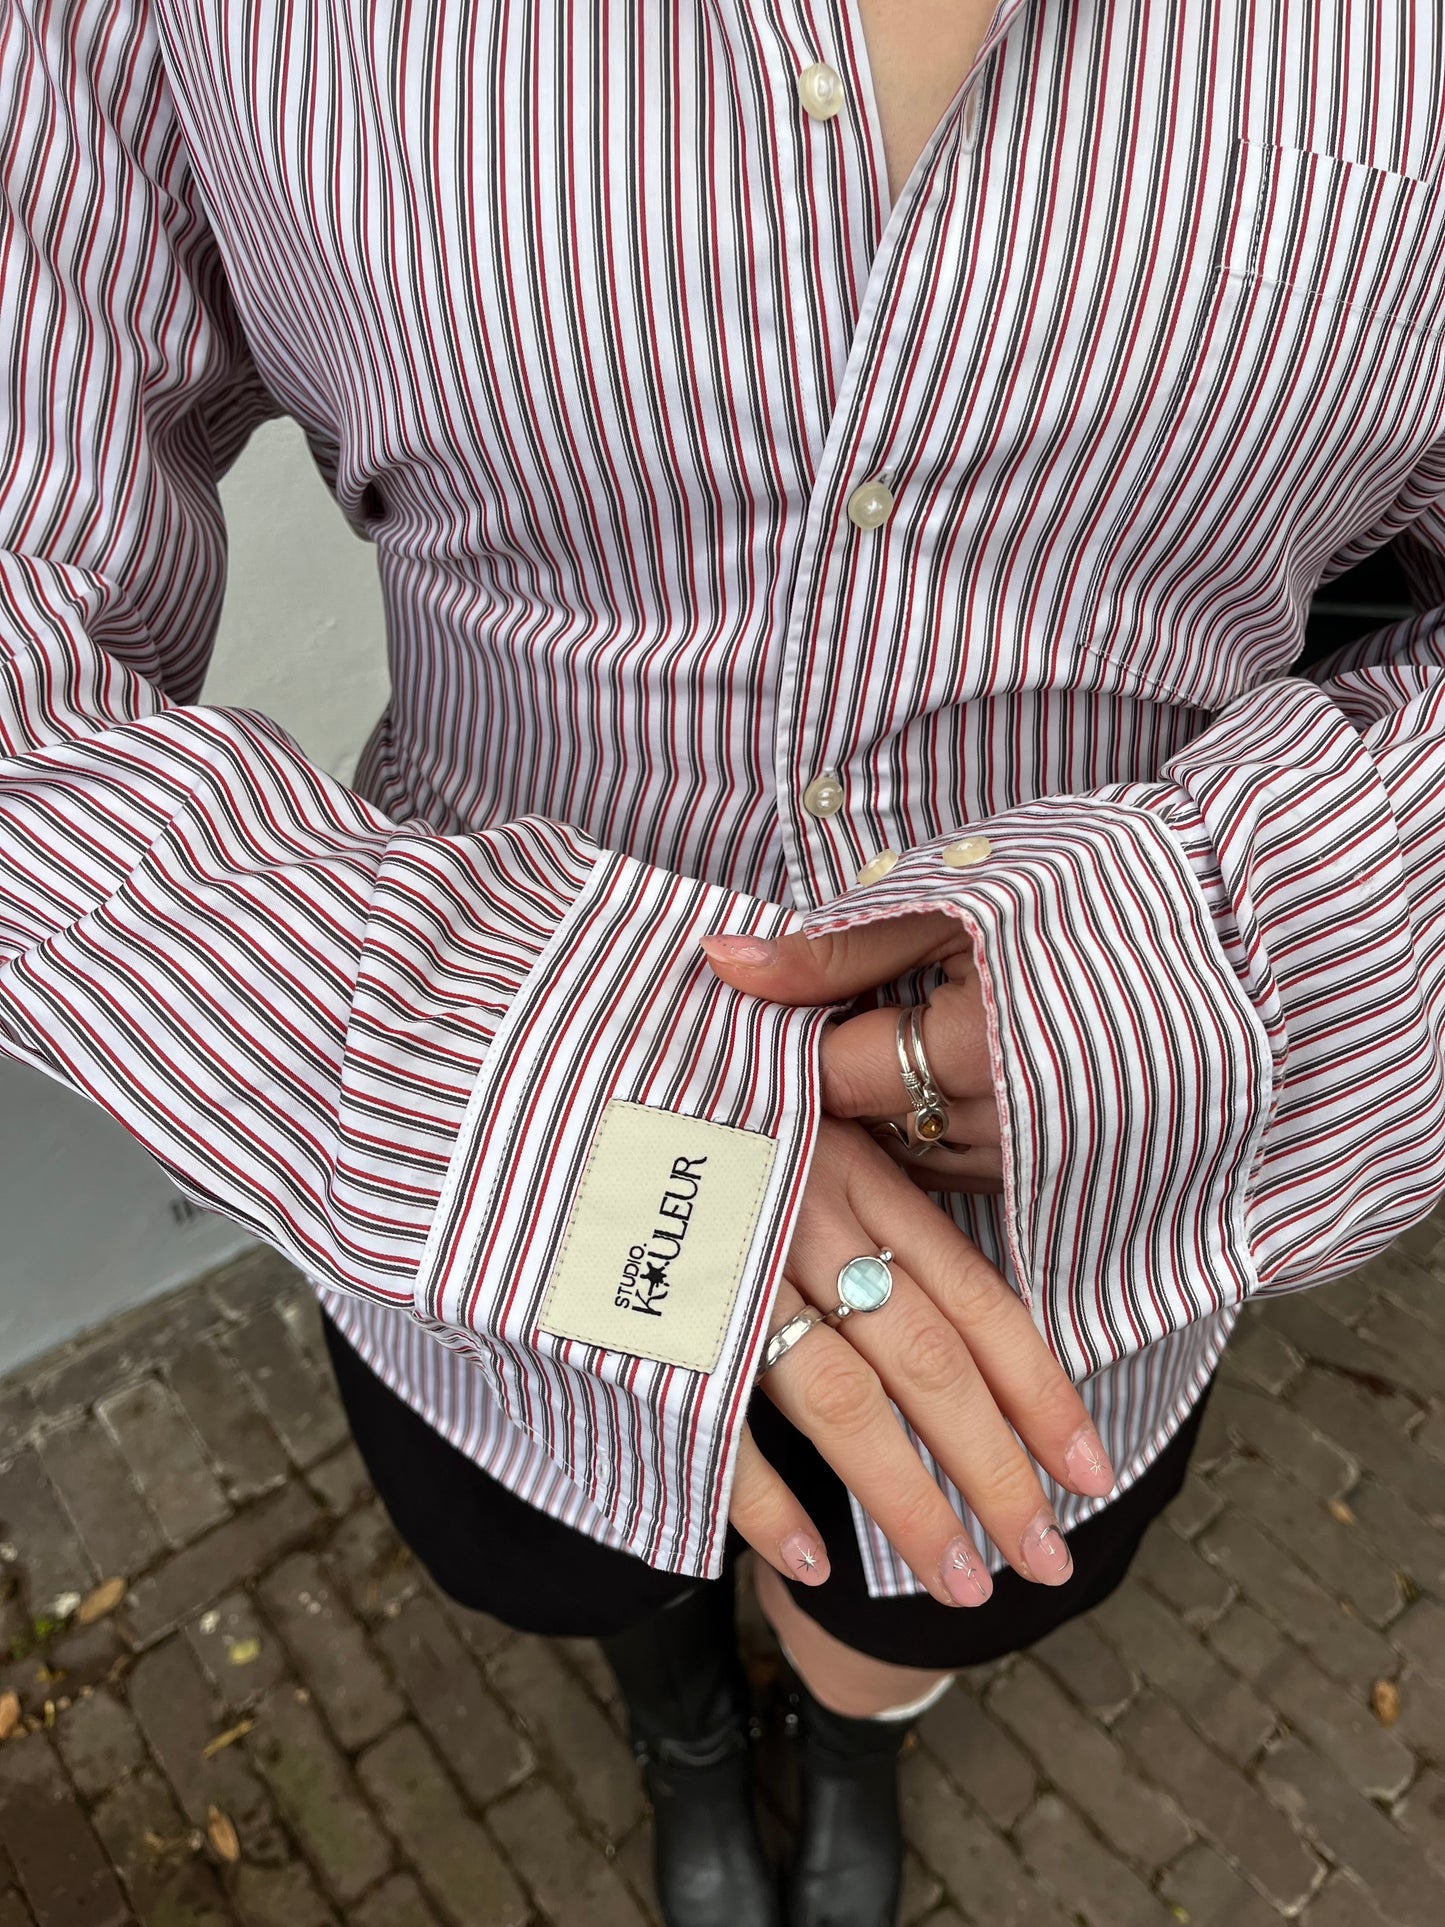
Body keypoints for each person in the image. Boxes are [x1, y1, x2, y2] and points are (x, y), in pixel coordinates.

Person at [3, 3, 1443, 1922]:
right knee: (569, 1559)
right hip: (481, 1276)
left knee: (919, 1597)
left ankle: (851, 1731)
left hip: (1084, 1251)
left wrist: (1261, 936)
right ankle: (686, 1728)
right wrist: (501, 1073)